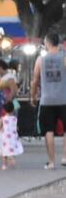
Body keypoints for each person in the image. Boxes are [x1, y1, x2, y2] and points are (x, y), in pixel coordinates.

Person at [31, 32, 66, 169]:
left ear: (47, 43)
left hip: (47, 100)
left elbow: (34, 81)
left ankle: (51, 162)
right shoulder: (64, 58)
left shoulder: (40, 60)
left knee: (49, 131)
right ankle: (65, 157)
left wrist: (33, 97)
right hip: (64, 99)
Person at [0, 100, 24, 170]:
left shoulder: (2, 118)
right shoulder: (15, 118)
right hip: (13, 137)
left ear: (4, 110)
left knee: (4, 151)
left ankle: (5, 164)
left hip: (5, 137)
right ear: (13, 109)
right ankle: (11, 158)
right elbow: (16, 128)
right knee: (10, 149)